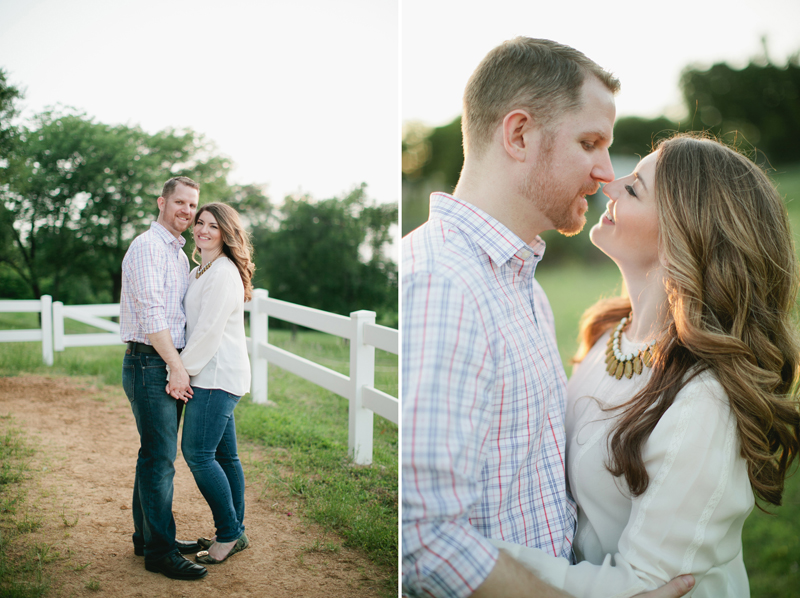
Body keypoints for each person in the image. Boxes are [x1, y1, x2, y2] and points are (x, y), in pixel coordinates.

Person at [401, 37, 693, 598]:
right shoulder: (443, 283)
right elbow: (423, 536)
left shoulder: (521, 287)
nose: (607, 173)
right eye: (590, 143)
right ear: (518, 135)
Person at [490, 133, 800, 596]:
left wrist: (477, 555)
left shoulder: (703, 401)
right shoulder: (606, 333)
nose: (609, 186)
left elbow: (643, 587)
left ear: (684, 234)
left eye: (633, 188)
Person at [120, 176, 207, 580]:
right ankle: (160, 551)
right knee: (160, 461)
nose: (188, 212)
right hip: (150, 363)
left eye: (193, 205)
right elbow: (153, 315)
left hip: (162, 362)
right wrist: (176, 365)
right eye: (180, 203)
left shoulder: (177, 253)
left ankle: (148, 537)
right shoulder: (147, 248)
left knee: (152, 456)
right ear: (161, 202)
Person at [165, 202, 254, 564]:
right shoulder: (202, 269)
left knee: (198, 454)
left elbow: (207, 332)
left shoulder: (223, 273)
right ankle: (238, 532)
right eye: (199, 223)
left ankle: (229, 532)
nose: (202, 230)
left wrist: (180, 371)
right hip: (213, 374)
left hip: (216, 376)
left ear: (226, 233)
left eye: (212, 226)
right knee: (225, 456)